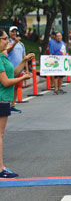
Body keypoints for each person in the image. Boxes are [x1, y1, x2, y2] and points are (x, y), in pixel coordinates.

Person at [0, 29, 34, 178]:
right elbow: (6, 82)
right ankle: (1, 168)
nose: (8, 41)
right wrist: (22, 79)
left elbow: (12, 74)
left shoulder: (3, 56)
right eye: (5, 38)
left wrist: (23, 61)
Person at [6, 26, 27, 113]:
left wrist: (26, 70)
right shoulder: (7, 42)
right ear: (9, 33)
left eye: (15, 32)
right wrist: (14, 42)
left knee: (16, 87)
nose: (14, 33)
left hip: (19, 70)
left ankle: (12, 105)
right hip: (10, 70)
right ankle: (6, 104)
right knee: (8, 87)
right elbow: (8, 51)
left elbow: (24, 57)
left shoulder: (21, 44)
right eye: (12, 32)